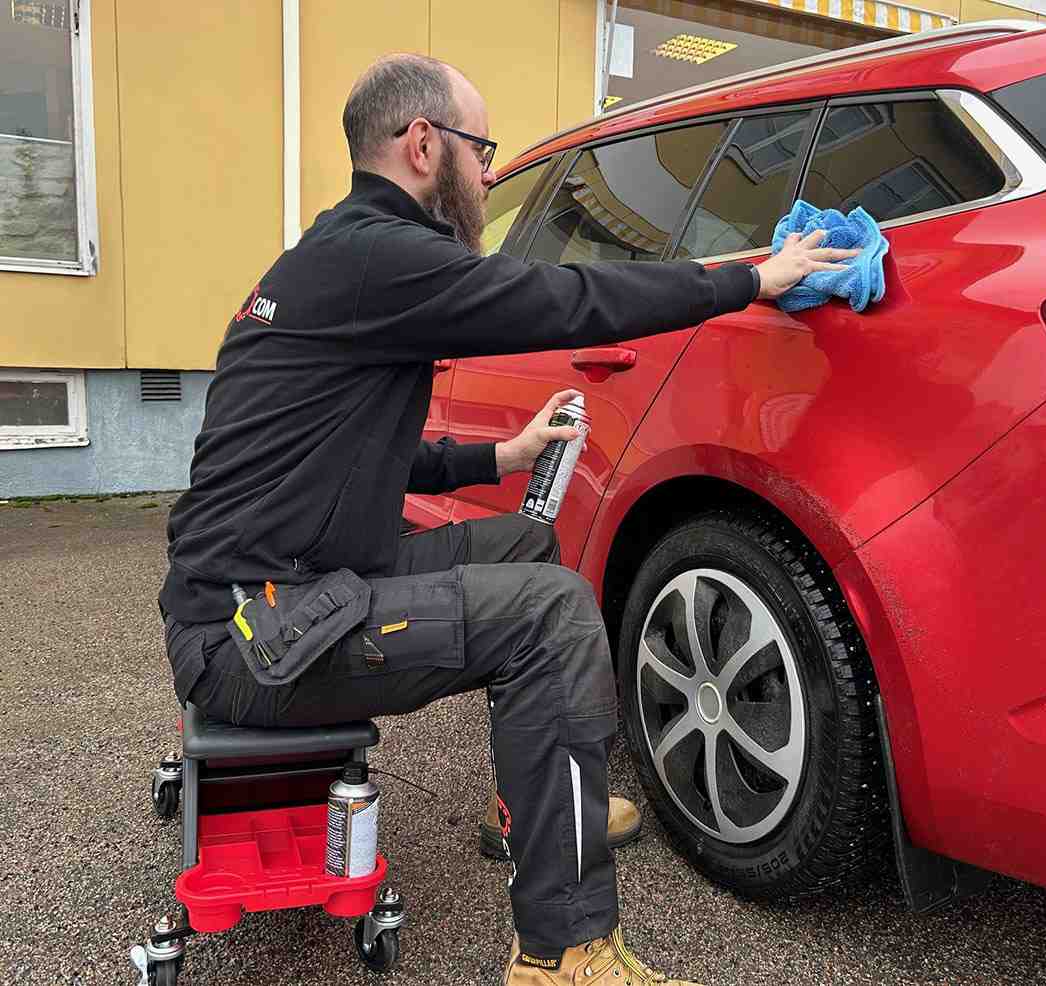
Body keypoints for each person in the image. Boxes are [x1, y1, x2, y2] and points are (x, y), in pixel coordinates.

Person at [159, 53, 858, 986]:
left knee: (527, 545)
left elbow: (353, 453)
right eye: (481, 150)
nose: (489, 174)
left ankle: (530, 810)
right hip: (256, 633)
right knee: (550, 617)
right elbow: (567, 299)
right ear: (422, 144)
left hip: (292, 586)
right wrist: (749, 279)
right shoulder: (380, 257)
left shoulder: (341, 256)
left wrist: (501, 458)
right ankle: (563, 952)